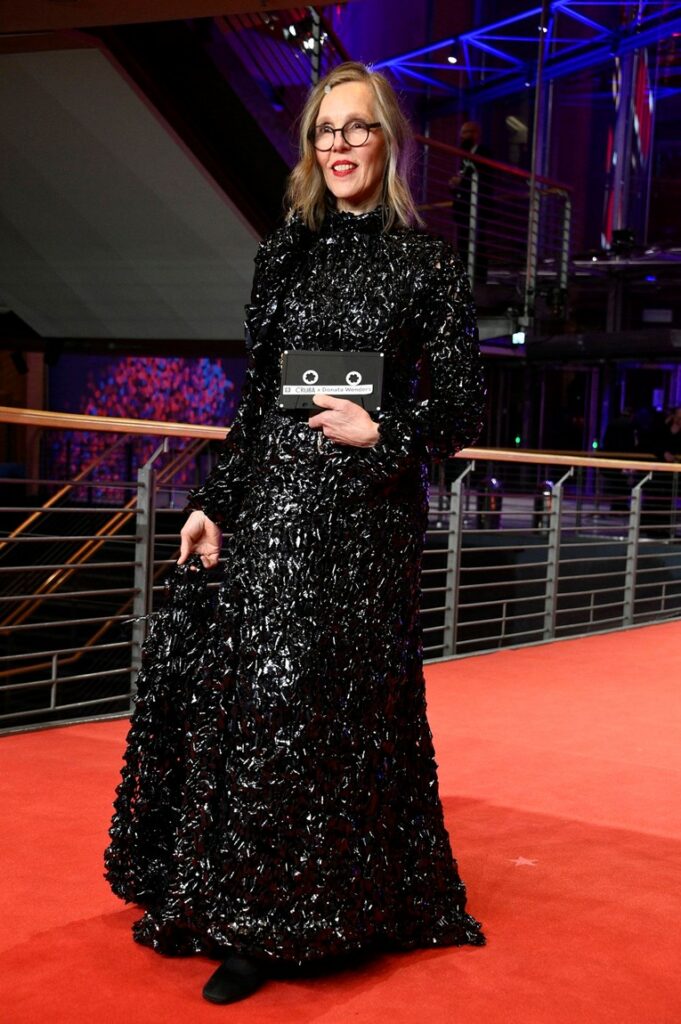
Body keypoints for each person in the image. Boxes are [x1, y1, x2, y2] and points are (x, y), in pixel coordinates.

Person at [105, 61, 486, 1005]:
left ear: (387, 139)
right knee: (266, 704)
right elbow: (255, 401)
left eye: (357, 127)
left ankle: (343, 903)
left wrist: (382, 430)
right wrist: (215, 501)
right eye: (325, 129)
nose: (340, 145)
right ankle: (254, 916)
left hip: (367, 517)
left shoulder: (426, 262)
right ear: (310, 147)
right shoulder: (285, 253)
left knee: (341, 710)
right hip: (276, 505)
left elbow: (464, 403)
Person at [448, 121, 493, 284]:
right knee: (463, 242)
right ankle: (465, 275)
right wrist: (455, 184)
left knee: (476, 241)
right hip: (464, 208)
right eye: (462, 133)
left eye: (467, 132)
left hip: (477, 207)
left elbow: (484, 178)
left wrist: (462, 181)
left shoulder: (483, 153)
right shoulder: (464, 156)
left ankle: (478, 278)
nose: (463, 136)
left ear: (476, 134)